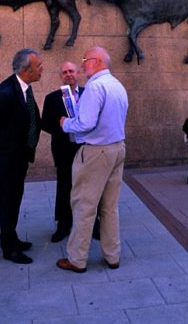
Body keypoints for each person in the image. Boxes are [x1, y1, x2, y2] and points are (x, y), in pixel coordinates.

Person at [56, 46, 128, 273]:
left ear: (96, 61)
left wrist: (65, 124)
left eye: (85, 60)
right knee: (109, 207)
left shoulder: (95, 87)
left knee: (84, 206)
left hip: (97, 152)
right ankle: (112, 255)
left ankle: (77, 259)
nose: (83, 64)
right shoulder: (117, 85)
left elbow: (85, 123)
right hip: (118, 148)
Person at [0, 48, 43, 264]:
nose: (42, 69)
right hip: (5, 159)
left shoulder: (24, 88)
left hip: (19, 157)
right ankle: (9, 247)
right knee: (7, 202)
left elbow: (31, 119)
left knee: (14, 201)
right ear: (27, 70)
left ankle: (11, 237)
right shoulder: (6, 92)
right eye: (39, 66)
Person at [41, 61, 85, 242]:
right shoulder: (52, 98)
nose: (68, 74)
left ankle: (93, 223)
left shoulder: (89, 94)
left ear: (78, 73)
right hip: (63, 148)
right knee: (65, 184)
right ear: (61, 76)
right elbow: (45, 123)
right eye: (64, 72)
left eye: (71, 71)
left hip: (85, 148)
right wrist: (64, 126)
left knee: (88, 185)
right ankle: (63, 224)